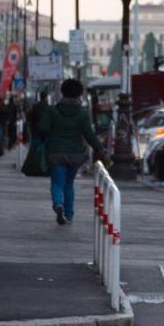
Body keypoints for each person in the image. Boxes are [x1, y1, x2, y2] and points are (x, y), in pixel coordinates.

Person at [38, 79, 106, 225]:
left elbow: (42, 129)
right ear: (79, 94)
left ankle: (58, 205)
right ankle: (68, 215)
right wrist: (100, 149)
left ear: (62, 92)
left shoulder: (52, 110)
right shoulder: (82, 113)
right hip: (75, 154)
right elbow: (89, 135)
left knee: (57, 183)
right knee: (69, 184)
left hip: (56, 153)